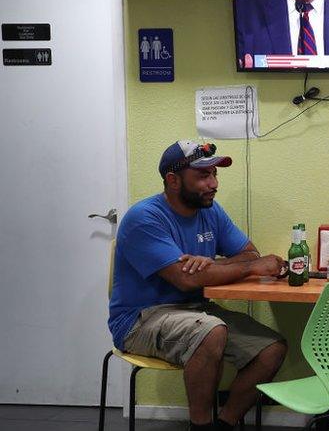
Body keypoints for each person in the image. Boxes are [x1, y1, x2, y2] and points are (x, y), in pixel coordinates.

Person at [108, 140, 288, 431]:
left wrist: (214, 266)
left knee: (271, 349)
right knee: (210, 332)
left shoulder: (210, 211)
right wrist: (249, 267)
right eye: (203, 176)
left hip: (196, 309)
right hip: (140, 319)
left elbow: (249, 253)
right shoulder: (144, 218)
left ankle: (224, 423)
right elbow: (187, 278)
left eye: (215, 175)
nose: (214, 183)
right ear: (173, 180)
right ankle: (200, 426)